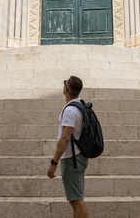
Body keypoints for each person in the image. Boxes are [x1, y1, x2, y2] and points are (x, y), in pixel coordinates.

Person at [47, 76, 89, 218]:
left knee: (76, 201)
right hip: (78, 156)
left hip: (72, 159)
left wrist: (54, 162)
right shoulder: (79, 105)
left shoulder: (70, 110)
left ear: (66, 89)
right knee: (78, 199)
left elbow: (64, 139)